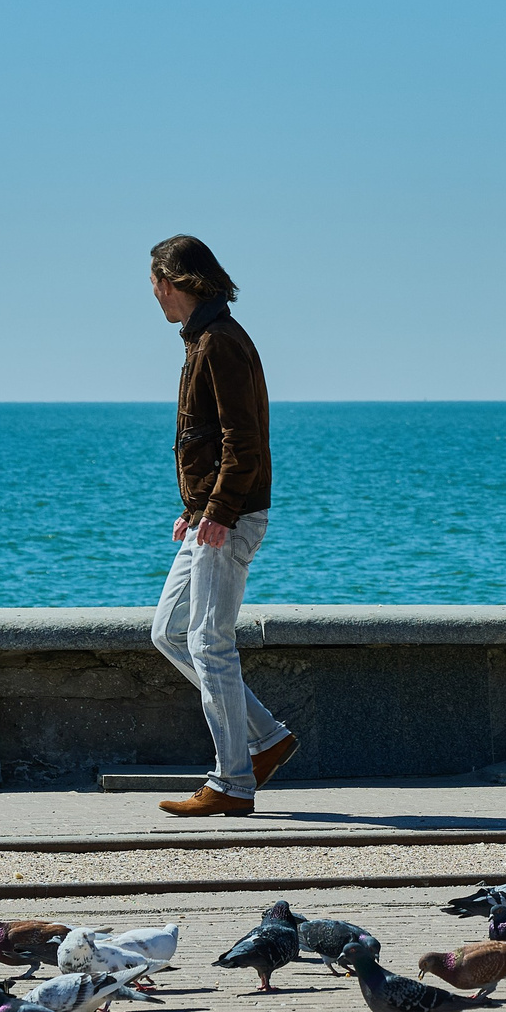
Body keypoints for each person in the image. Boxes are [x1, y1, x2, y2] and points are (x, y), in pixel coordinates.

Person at [144, 235, 297, 817]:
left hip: (228, 517)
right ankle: (268, 739)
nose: (154, 295)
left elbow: (245, 442)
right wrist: (198, 506)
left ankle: (232, 782)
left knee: (210, 641)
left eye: (155, 283)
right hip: (212, 514)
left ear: (176, 281)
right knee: (170, 632)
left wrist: (220, 510)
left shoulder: (220, 344)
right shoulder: (205, 340)